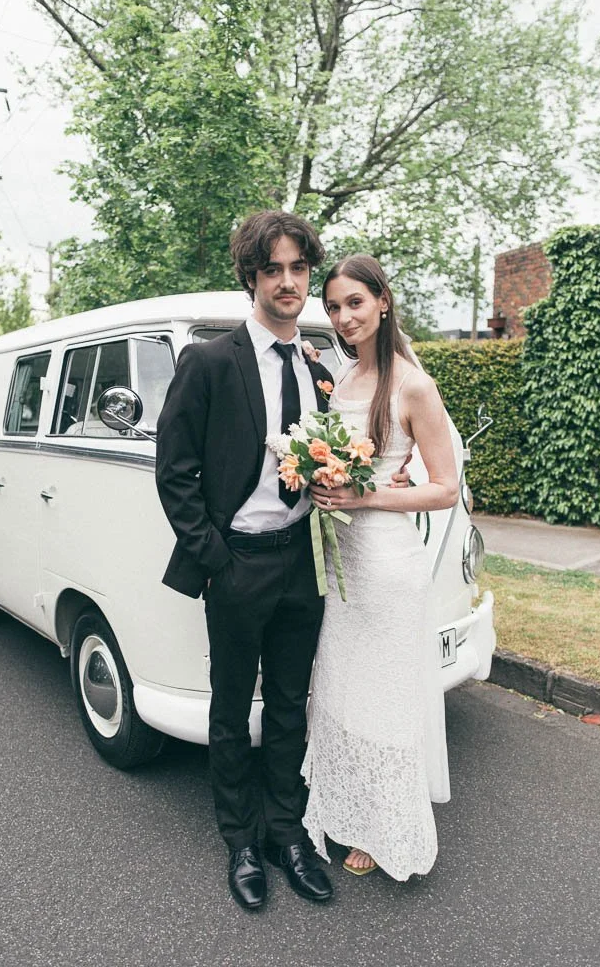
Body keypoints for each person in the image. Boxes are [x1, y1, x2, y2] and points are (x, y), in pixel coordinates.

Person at [155, 213, 411, 910]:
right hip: (237, 562)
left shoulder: (320, 369)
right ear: (252, 278)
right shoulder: (208, 363)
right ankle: (240, 840)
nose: (290, 281)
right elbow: (175, 474)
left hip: (303, 564)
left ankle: (285, 831)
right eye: (275, 269)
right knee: (234, 708)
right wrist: (215, 560)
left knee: (292, 705)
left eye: (300, 268)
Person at [302, 254, 459, 881]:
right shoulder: (341, 382)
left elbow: (444, 488)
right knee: (342, 684)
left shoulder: (413, 385)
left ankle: (383, 825)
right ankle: (344, 804)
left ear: (383, 302)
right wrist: (317, 481)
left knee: (385, 694)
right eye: (334, 308)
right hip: (343, 562)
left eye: (354, 304)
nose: (343, 318)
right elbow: (344, 464)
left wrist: (367, 496)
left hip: (389, 564)